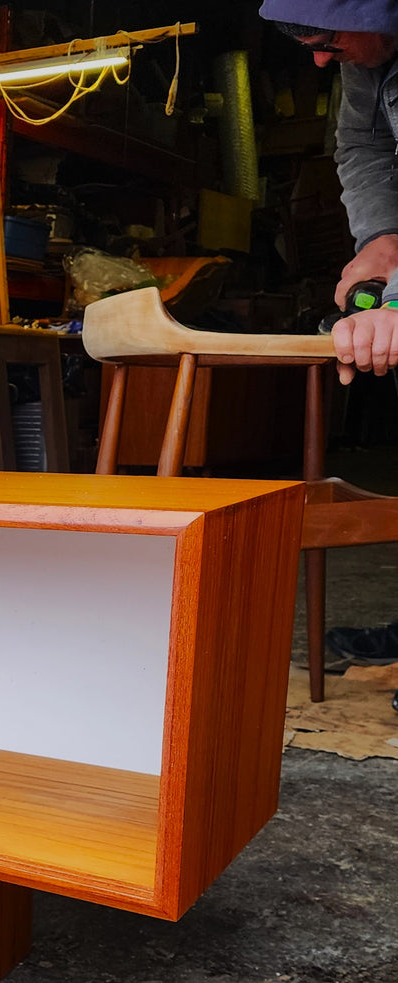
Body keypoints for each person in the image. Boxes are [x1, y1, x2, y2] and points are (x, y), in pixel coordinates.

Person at [262, 1, 398, 664]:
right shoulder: (366, 57)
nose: (318, 59)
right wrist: (380, 239)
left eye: (328, 39)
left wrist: (396, 301)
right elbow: (363, 146)